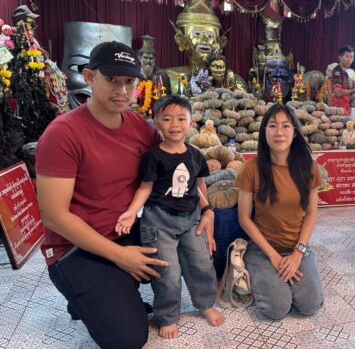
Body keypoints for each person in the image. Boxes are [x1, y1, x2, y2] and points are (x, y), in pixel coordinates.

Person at [36, 41, 169, 349]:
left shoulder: (140, 127)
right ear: (89, 76)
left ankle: (105, 293)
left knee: (188, 248)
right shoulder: (62, 134)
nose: (122, 90)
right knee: (128, 339)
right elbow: (54, 216)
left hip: (123, 230)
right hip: (74, 248)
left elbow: (169, 165)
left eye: (129, 81)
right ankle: (89, 293)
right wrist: (120, 257)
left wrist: (205, 210)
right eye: (112, 80)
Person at [114, 95, 225, 339]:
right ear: (157, 124)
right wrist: (131, 213)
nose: (174, 124)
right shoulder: (153, 156)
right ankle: (167, 316)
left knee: (201, 263)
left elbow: (198, 186)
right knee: (167, 271)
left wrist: (207, 209)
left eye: (181, 119)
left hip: (192, 218)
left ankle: (205, 303)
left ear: (191, 123)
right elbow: (145, 188)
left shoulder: (196, 155)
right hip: (159, 221)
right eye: (167, 119)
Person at [234, 103, 324, 320]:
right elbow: (244, 218)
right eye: (273, 126)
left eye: (286, 126)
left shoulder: (308, 168)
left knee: (309, 305)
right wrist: (274, 256)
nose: (279, 132)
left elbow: (312, 214)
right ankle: (257, 273)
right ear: (264, 131)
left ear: (295, 132)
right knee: (276, 309)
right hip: (263, 250)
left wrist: (298, 253)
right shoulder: (251, 168)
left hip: (297, 247)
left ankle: (287, 277)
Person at [329, 46, 355, 116]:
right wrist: (354, 89)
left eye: (351, 57)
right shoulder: (337, 71)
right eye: (347, 56)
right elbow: (338, 92)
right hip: (338, 109)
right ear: (340, 57)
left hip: (346, 108)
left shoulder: (349, 72)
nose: (349, 60)